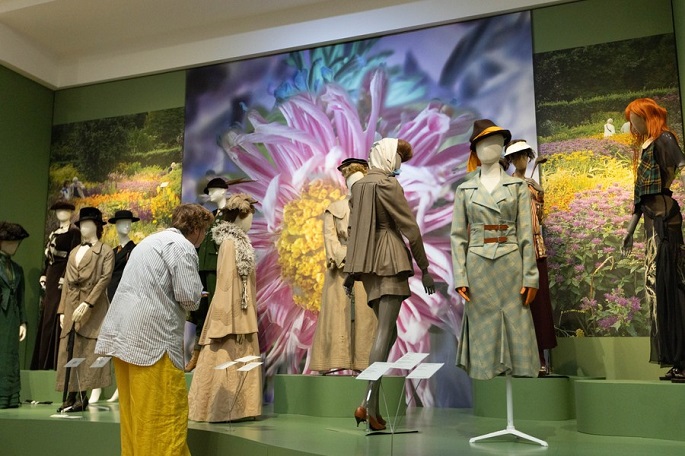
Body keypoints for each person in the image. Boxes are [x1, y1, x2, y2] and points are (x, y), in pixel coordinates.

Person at [95, 203, 213, 455]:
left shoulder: (149, 242)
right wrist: (200, 293)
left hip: (123, 340)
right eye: (204, 230)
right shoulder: (182, 247)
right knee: (164, 418)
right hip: (153, 344)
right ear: (195, 228)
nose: (204, 236)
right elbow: (189, 298)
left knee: (134, 418)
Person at [344, 138, 435, 431]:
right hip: (389, 260)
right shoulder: (388, 184)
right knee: (384, 332)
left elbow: (353, 230)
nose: (399, 163)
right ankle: (366, 402)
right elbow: (411, 228)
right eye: (398, 157)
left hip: (368, 265)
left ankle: (371, 407)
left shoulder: (358, 186)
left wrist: (350, 271)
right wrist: (425, 267)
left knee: (390, 332)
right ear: (386, 155)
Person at [451, 119, 540, 381]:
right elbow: (458, 237)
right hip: (477, 268)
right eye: (483, 143)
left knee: (516, 321)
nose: (490, 147)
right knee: (483, 325)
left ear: (503, 146)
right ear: (475, 150)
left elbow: (526, 235)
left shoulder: (518, 187)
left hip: (511, 265)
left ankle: (519, 367)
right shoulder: (464, 190)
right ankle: (486, 367)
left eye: (496, 142)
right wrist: (460, 276)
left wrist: (530, 277)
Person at [622, 98, 685, 382]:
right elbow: (640, 198)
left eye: (633, 118)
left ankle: (683, 359)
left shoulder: (664, 139)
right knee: (659, 291)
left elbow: (682, 164)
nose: (631, 124)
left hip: (665, 221)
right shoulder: (646, 146)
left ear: (645, 116)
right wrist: (630, 230)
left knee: (673, 286)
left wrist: (675, 179)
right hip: (651, 222)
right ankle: (676, 359)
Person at [188, 193, 262, 422]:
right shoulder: (230, 243)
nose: (251, 222)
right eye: (249, 217)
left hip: (243, 308)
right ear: (239, 216)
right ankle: (218, 409)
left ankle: (242, 409)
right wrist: (228, 318)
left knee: (242, 356)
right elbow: (226, 282)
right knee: (224, 355)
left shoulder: (240, 242)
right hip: (232, 311)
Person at [310, 158, 376, 373]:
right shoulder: (334, 209)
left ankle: (364, 363)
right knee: (337, 316)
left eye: (359, 181)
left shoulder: (375, 209)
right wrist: (351, 255)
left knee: (367, 318)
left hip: (368, 271)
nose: (354, 186)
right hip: (340, 271)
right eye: (350, 181)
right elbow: (331, 243)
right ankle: (333, 363)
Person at [504, 139, 557, 375]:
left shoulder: (533, 185)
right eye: (516, 157)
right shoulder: (507, 185)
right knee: (518, 304)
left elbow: (540, 218)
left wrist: (537, 192)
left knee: (539, 304)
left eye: (524, 155)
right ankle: (519, 357)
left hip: (536, 249)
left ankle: (540, 357)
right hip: (515, 250)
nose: (521, 160)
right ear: (511, 160)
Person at [55, 207, 114, 412]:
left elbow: (104, 280)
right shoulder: (73, 252)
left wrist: (87, 303)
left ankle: (82, 395)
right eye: (81, 224)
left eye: (88, 224)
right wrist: (62, 310)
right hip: (72, 304)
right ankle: (69, 394)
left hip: (93, 308)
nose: (84, 228)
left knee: (88, 350)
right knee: (69, 349)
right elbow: (66, 283)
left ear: (97, 226)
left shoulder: (105, 251)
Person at [186, 177, 232, 372]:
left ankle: (213, 355)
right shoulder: (213, 216)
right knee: (201, 310)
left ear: (223, 190)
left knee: (216, 311)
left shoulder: (231, 214)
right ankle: (197, 354)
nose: (210, 194)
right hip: (203, 266)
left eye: (213, 190)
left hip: (217, 267)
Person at [31, 201, 81, 370]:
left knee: (56, 314)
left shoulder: (74, 233)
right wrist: (44, 274)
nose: (61, 213)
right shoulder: (54, 233)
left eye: (65, 210)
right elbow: (49, 258)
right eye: (59, 211)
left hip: (62, 276)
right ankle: (42, 362)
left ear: (70, 213)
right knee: (47, 315)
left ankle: (53, 362)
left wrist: (64, 277)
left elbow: (73, 258)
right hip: (52, 276)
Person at [0, 222, 29, 409]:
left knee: (10, 355)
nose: (16, 246)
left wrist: (23, 322)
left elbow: (20, 297)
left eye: (18, 242)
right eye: (12, 242)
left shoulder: (17, 269)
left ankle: (9, 397)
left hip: (11, 316)